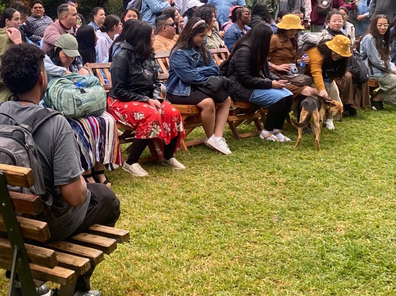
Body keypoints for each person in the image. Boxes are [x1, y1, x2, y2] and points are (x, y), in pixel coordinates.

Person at [0, 43, 121, 296]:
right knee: (107, 200)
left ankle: (23, 283)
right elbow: (74, 196)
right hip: (40, 226)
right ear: (43, 77)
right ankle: (75, 291)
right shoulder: (54, 123)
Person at [108, 20, 186, 177]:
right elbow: (119, 90)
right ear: (141, 38)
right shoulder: (121, 58)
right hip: (120, 102)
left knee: (172, 112)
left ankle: (167, 156)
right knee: (151, 115)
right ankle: (131, 162)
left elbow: (156, 81)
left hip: (147, 100)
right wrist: (146, 100)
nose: (154, 38)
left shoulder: (148, 55)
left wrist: (155, 97)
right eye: (151, 36)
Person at [44, 34, 121, 185]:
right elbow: (45, 68)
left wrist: (83, 74)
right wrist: (66, 72)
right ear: (56, 49)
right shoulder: (47, 62)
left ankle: (99, 168)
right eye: (66, 55)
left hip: (81, 105)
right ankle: (86, 170)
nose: (70, 59)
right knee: (84, 127)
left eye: (72, 56)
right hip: (59, 108)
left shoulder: (76, 63)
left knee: (106, 121)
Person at [166, 18, 233, 154]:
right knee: (208, 103)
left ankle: (217, 137)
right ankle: (210, 137)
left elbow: (215, 69)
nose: (204, 39)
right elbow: (189, 77)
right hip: (180, 90)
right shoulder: (179, 52)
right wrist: (202, 72)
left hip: (200, 86)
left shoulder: (204, 51)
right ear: (191, 34)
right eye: (201, 36)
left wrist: (197, 71)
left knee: (226, 99)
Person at [225, 22, 294, 141]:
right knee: (279, 99)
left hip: (254, 84)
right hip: (240, 88)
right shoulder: (245, 51)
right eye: (268, 37)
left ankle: (276, 130)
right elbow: (245, 78)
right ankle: (266, 132)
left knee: (289, 96)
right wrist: (270, 84)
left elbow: (265, 72)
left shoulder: (257, 49)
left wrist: (276, 79)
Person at [360, 14, 396, 108]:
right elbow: (376, 60)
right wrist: (393, 70)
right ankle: (376, 100)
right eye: (380, 25)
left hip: (381, 69)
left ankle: (376, 98)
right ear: (374, 25)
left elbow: (387, 58)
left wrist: (393, 69)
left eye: (385, 25)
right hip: (372, 71)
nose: (383, 27)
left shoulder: (381, 38)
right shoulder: (370, 38)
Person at [304, 34, 352, 128]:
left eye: (341, 54)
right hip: (309, 77)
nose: (338, 55)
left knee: (334, 91)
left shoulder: (341, 60)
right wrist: (322, 89)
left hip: (327, 78)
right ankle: (312, 119)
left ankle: (329, 119)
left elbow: (336, 73)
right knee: (321, 93)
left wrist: (329, 82)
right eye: (336, 52)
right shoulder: (316, 53)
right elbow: (316, 72)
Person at [268, 14, 319, 97]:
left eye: (296, 30)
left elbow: (293, 61)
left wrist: (301, 61)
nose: (294, 32)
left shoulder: (292, 39)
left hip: (292, 75)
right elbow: (260, 59)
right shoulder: (274, 39)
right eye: (291, 30)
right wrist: (275, 66)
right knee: (309, 91)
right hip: (278, 77)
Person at [322, 11, 362, 115]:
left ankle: (356, 105)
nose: (337, 23)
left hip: (343, 64)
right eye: (334, 21)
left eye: (340, 21)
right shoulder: (325, 36)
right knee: (348, 76)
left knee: (360, 74)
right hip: (329, 69)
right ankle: (346, 105)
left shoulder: (344, 34)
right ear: (328, 22)